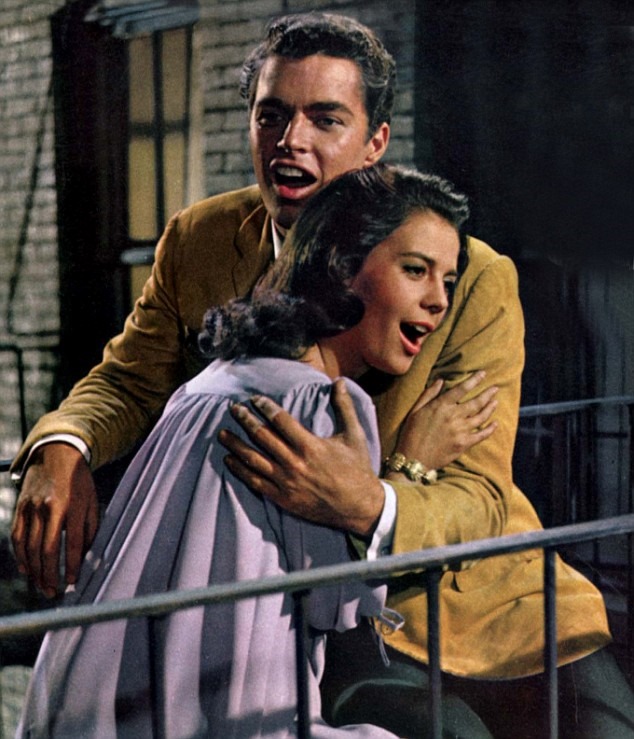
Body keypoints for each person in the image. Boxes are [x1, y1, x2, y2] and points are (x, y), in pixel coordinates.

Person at [9, 9, 632, 738]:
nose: (290, 141)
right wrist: (63, 445)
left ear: (375, 145)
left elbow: (480, 494)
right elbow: (129, 379)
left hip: (471, 585)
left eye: (325, 119)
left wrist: (375, 500)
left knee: (607, 726)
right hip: (314, 606)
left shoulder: (469, 275)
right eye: (271, 115)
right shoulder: (202, 238)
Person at [17, 163, 474, 738]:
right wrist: (410, 468)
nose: (438, 301)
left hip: (93, 703)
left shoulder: (211, 380)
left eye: (448, 281)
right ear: (343, 268)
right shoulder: (324, 405)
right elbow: (339, 606)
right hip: (228, 715)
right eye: (415, 270)